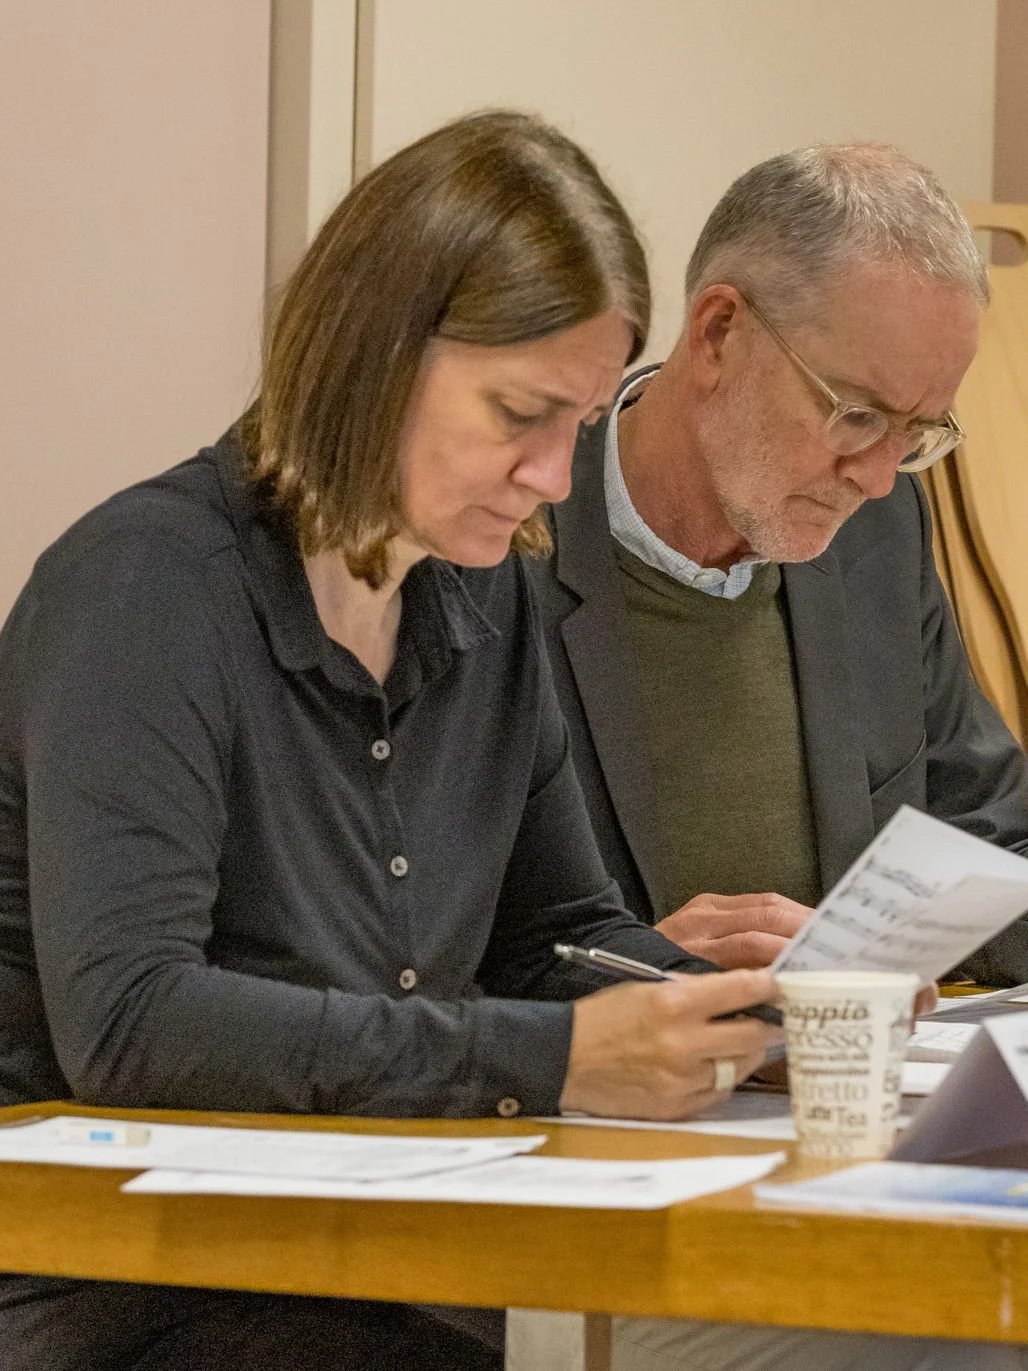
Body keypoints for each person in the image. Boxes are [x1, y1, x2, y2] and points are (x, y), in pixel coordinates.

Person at [0, 109, 786, 1371]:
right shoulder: (143, 589)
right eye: (520, 412)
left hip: (398, 1259)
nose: (552, 477)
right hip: (134, 1286)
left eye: (577, 425)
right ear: (374, 353)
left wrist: (751, 1021)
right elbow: (133, 1023)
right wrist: (564, 1055)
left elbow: (551, 940)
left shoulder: (491, 593)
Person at [527, 142, 1028, 989]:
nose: (876, 477)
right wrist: (636, 970)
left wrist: (870, 948)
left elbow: (995, 839)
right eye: (858, 415)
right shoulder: (504, 531)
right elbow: (417, 934)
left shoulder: (877, 529)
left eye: (917, 434)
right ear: (720, 331)